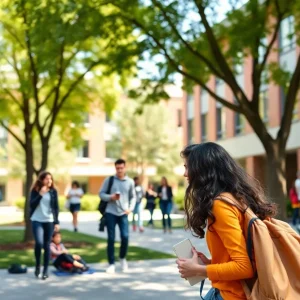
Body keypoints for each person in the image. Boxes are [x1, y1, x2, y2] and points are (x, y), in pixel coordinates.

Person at [176, 143, 277, 300]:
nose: (185, 173)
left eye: (188, 167)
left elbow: (244, 267)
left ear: (203, 170)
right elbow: (242, 256)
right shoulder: (237, 198)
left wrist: (198, 270)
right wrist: (209, 263)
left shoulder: (221, 205)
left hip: (230, 295)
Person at [99, 159, 136, 274]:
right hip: (110, 212)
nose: (119, 170)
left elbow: (133, 197)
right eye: (117, 168)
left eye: (121, 168)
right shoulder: (109, 180)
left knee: (125, 237)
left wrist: (130, 208)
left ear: (125, 168)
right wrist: (111, 197)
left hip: (123, 213)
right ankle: (111, 264)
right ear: (115, 168)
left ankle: (122, 258)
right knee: (111, 238)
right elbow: (101, 194)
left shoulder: (130, 182)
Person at [30, 171, 60, 280]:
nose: (49, 181)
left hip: (49, 221)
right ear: (42, 180)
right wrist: (40, 195)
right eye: (47, 179)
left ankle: (45, 271)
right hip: (37, 220)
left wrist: (56, 222)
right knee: (39, 243)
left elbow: (56, 208)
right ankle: (38, 265)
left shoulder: (53, 192)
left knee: (47, 245)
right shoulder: (35, 191)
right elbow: (31, 204)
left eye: (51, 179)